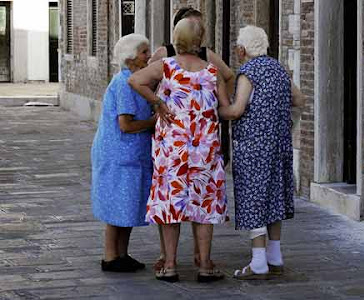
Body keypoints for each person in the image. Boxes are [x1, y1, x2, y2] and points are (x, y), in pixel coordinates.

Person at [129, 18, 229, 283]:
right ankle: (205, 265)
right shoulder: (211, 71)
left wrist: (158, 102)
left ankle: (170, 265)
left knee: (171, 203)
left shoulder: (165, 67)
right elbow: (226, 109)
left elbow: (135, 81)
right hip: (204, 149)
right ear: (200, 40)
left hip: (171, 148)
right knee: (203, 204)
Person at [218, 25, 302, 280]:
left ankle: (258, 262)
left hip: (254, 148)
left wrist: (217, 108)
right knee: (274, 197)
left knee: (254, 199)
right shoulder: (279, 69)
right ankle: (274, 257)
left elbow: (236, 111)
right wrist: (284, 122)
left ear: (242, 49)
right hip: (278, 146)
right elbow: (299, 100)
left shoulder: (248, 72)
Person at [91, 33, 155, 272]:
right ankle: (110, 257)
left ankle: (123, 254)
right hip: (118, 155)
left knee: (127, 206)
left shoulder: (136, 80)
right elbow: (126, 125)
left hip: (130, 155)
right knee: (117, 206)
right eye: (144, 52)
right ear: (131, 58)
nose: (148, 56)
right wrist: (154, 121)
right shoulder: (124, 83)